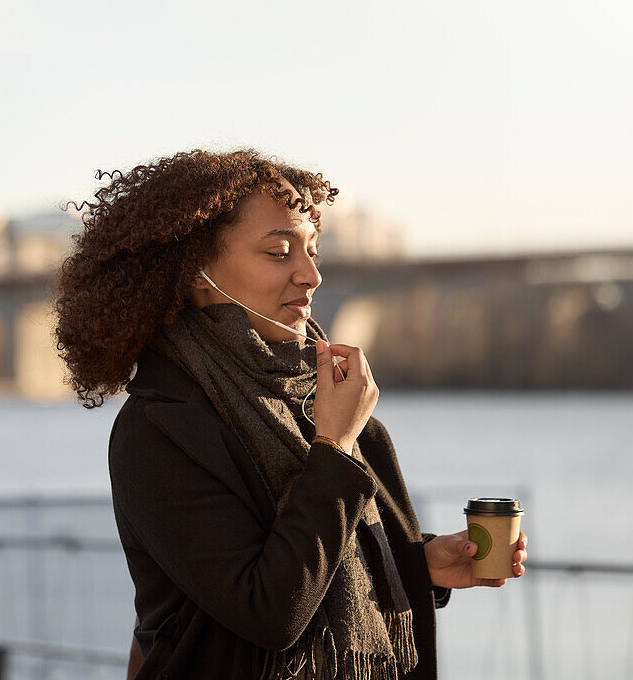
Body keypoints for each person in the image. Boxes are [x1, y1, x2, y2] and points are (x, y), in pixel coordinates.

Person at [52, 148, 528, 680]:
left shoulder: (331, 407)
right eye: (280, 252)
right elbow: (268, 611)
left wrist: (420, 567)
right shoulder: (159, 428)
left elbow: (331, 570)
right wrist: (332, 450)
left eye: (313, 251)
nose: (310, 276)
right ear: (194, 273)